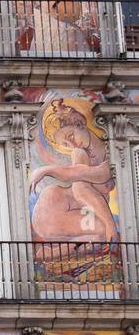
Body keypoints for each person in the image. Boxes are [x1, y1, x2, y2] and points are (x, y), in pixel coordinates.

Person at [29, 100, 117, 244]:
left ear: (80, 123)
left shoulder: (111, 150)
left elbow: (97, 173)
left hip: (72, 212)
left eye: (70, 137)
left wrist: (46, 170)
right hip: (53, 207)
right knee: (104, 231)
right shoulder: (79, 153)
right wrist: (110, 224)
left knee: (101, 235)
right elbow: (80, 188)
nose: (72, 145)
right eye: (65, 144)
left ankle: (61, 250)